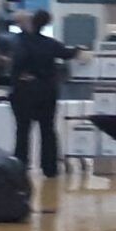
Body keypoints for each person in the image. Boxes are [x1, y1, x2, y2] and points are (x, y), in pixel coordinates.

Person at [9, 10, 75, 177]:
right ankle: (50, 168)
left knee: (23, 131)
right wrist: (81, 50)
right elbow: (68, 53)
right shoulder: (50, 43)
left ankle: (21, 166)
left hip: (24, 92)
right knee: (48, 130)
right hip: (46, 91)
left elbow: (17, 62)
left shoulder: (19, 41)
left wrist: (23, 74)